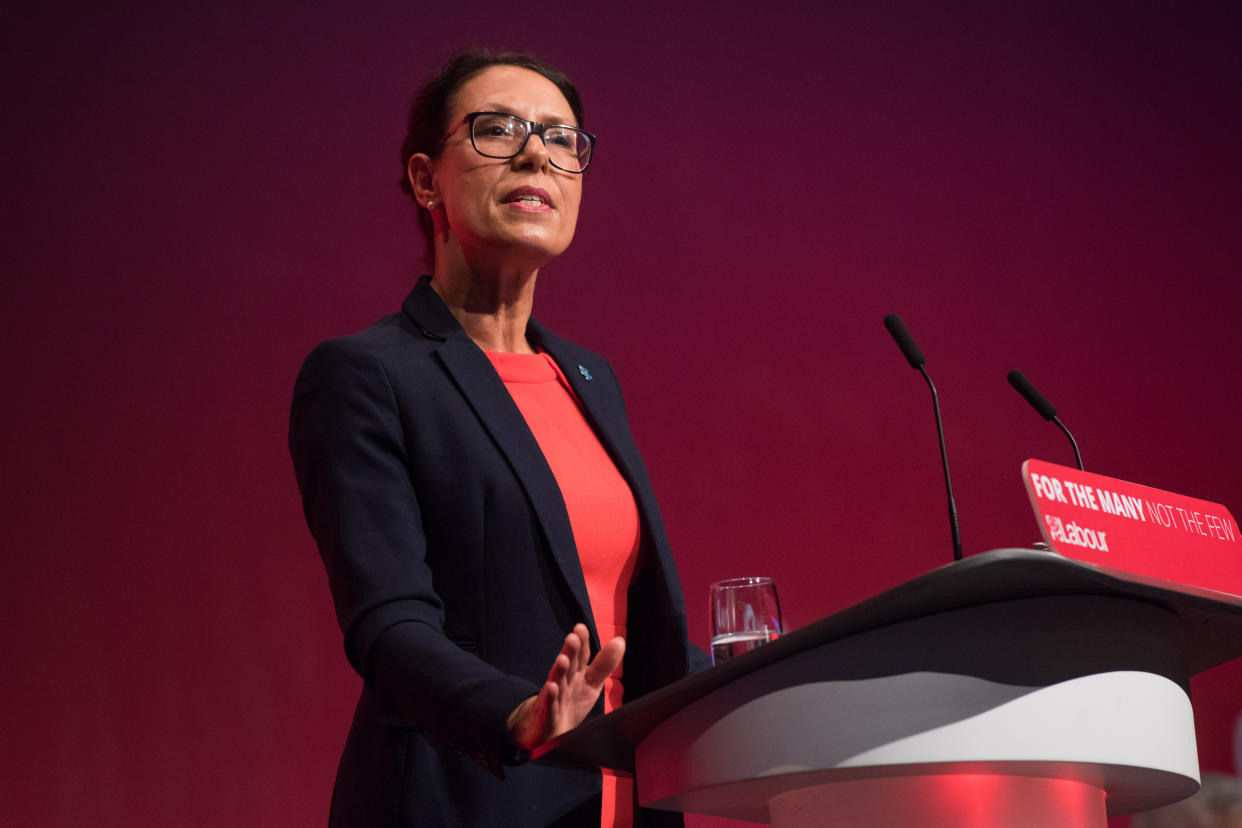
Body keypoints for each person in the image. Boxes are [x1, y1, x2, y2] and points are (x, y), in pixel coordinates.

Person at [289, 49, 708, 828]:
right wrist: (514, 715)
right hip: (467, 801)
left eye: (560, 137)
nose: (534, 152)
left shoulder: (587, 377)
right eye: (497, 130)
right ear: (425, 181)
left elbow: (634, 628)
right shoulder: (367, 376)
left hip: (615, 807)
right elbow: (389, 625)